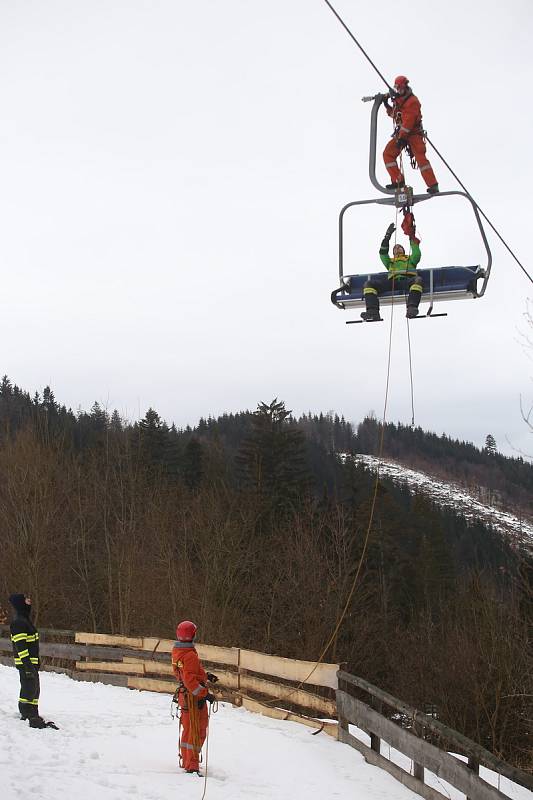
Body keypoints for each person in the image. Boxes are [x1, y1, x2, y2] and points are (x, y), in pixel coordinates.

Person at [171, 620, 217, 775]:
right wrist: (205, 694)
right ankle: (192, 765)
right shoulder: (189, 655)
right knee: (197, 731)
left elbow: (188, 674)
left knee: (188, 730)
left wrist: (206, 676)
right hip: (193, 699)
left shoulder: (179, 652)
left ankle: (187, 760)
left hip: (186, 697)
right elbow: (190, 681)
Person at [382, 75, 439, 195]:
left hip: (413, 134)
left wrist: (402, 137)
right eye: (397, 89)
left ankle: (433, 185)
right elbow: (397, 115)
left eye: (400, 89)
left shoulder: (412, 102)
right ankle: (398, 181)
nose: (398, 91)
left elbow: (408, 121)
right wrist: (387, 105)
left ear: (405, 87)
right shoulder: (399, 101)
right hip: (403, 133)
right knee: (388, 154)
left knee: (421, 158)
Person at [361, 213, 423, 320]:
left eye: (399, 247)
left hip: (407, 281)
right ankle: (372, 311)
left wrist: (411, 237)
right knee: (369, 284)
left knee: (417, 280)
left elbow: (417, 254)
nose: (397, 248)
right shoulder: (390, 262)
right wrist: (387, 237)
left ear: (403, 250)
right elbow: (383, 254)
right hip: (392, 282)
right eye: (395, 248)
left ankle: (412, 308)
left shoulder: (409, 259)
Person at [8, 593, 56, 729]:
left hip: (32, 663)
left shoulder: (25, 620)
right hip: (26, 664)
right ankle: (26, 712)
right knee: (28, 688)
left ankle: (33, 712)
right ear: (20, 603)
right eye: (26, 600)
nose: (29, 601)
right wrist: (27, 665)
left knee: (35, 689)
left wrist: (36, 662)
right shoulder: (18, 622)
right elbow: (21, 646)